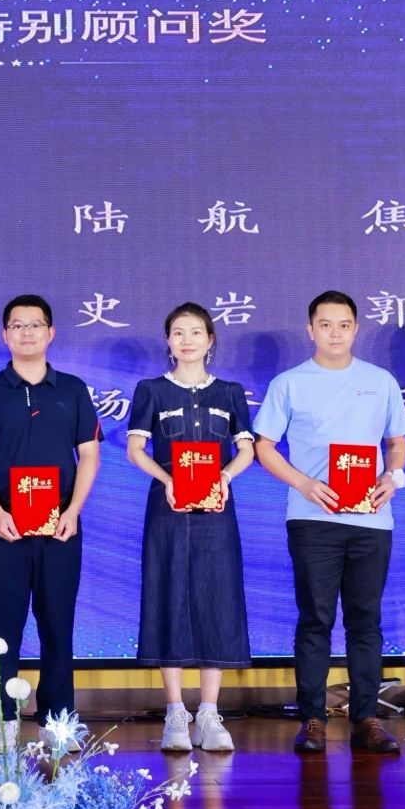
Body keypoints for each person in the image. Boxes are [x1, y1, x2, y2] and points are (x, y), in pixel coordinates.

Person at [254, 291, 405, 756]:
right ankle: (313, 719)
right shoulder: (289, 383)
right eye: (325, 325)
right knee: (315, 619)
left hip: (371, 519)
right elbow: (264, 447)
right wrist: (303, 484)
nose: (335, 333)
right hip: (312, 519)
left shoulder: (380, 381)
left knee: (366, 620)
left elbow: (398, 442)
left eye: (344, 324)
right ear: (311, 330)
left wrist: (393, 477)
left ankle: (366, 718)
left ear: (356, 329)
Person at [0, 295, 102, 735]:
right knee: (3, 626)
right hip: (4, 525)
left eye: (35, 325)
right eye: (17, 325)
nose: (26, 332)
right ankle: (5, 719)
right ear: (5, 335)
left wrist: (73, 511)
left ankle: (58, 719)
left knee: (58, 623)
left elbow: (89, 455)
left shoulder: (73, 389)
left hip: (61, 525)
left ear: (50, 332)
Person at [127, 301, 254, 754]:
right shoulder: (152, 391)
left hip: (217, 511)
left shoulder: (230, 393)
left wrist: (225, 477)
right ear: (168, 341)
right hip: (168, 510)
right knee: (169, 597)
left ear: (210, 340)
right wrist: (167, 481)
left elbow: (246, 450)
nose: (187, 340)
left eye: (196, 332)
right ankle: (176, 713)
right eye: (178, 332)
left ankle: (210, 713)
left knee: (216, 598)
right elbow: (136, 449)